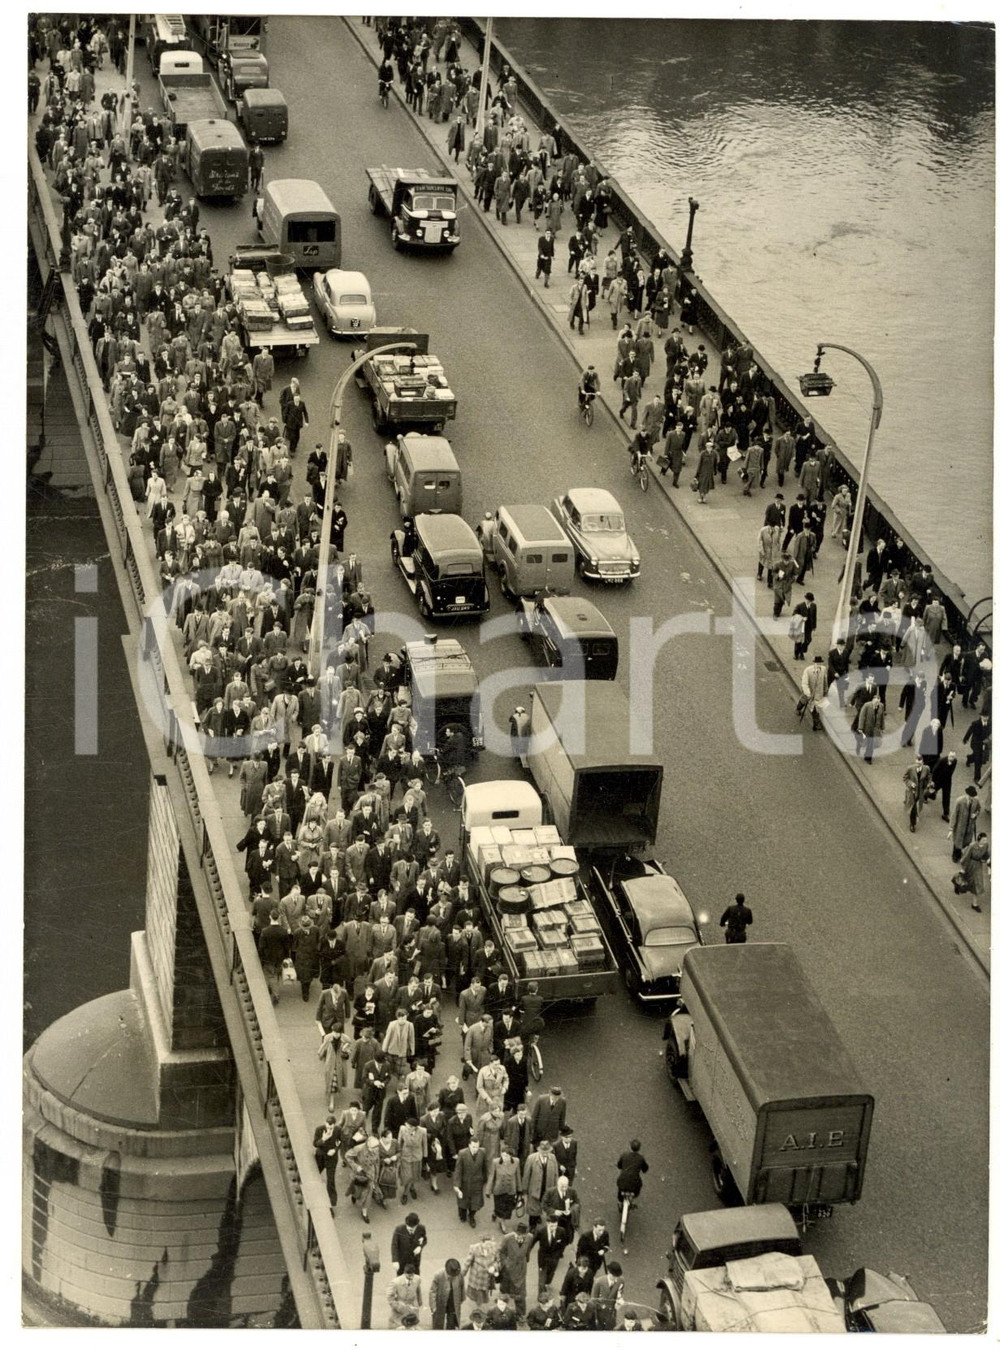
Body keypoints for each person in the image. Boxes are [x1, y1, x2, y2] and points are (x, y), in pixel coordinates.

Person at [454, 1136, 488, 1226]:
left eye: (477, 1146)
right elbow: (458, 1170)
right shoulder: (462, 1153)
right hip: (465, 1183)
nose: (475, 1149)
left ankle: (471, 1216)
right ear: (469, 1145)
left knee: (475, 1203)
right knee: (463, 1202)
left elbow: (484, 1167)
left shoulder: (483, 1152)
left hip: (477, 1182)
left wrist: (485, 1180)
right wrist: (457, 1186)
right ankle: (463, 1215)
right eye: (473, 1147)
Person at [956, 833, 990, 911]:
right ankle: (958, 886)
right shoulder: (972, 846)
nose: (985, 841)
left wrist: (987, 859)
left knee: (977, 884)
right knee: (966, 879)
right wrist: (963, 869)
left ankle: (974, 904)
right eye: (983, 840)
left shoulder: (986, 845)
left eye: (986, 839)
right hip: (970, 865)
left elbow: (986, 853)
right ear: (979, 840)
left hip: (978, 866)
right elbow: (965, 857)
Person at [429, 1258, 465, 1330]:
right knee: (438, 1324)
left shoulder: (460, 1274)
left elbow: (462, 1287)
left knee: (451, 1324)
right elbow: (432, 1291)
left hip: (453, 1302)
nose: (453, 1276)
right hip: (440, 1302)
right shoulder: (438, 1275)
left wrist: (461, 1299)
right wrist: (433, 1306)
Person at [950, 785, 980, 863]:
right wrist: (951, 828)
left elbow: (978, 809)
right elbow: (954, 814)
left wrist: (975, 815)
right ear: (967, 795)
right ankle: (955, 855)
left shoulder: (976, 801)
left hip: (969, 825)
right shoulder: (960, 801)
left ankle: (960, 853)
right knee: (957, 841)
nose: (971, 798)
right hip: (960, 825)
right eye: (970, 796)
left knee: (966, 841)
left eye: (973, 797)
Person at [903, 753, 931, 833]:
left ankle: (911, 808)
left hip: (921, 791)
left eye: (920, 763)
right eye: (917, 763)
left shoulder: (926, 768)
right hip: (912, 791)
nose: (918, 765)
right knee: (913, 807)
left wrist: (929, 783)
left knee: (918, 805)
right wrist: (911, 783)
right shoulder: (910, 769)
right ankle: (912, 824)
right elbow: (905, 778)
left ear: (922, 762)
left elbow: (929, 776)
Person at [616, 1139, 649, 1204]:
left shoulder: (624, 1155)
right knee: (637, 1187)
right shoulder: (641, 1158)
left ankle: (620, 1199)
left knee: (620, 1189)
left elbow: (619, 1165)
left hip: (622, 1181)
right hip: (634, 1183)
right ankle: (633, 1196)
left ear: (630, 1147)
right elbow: (645, 1169)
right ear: (639, 1148)